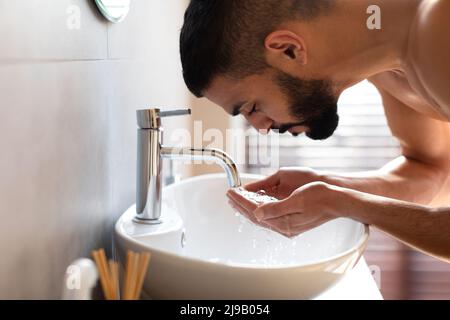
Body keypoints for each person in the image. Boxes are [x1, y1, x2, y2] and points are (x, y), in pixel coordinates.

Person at [179, 0, 450, 262]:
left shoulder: (439, 25)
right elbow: (432, 169)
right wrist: (328, 187)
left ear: (288, 50)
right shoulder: (389, 57)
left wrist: (344, 204)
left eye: (252, 107)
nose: (261, 127)